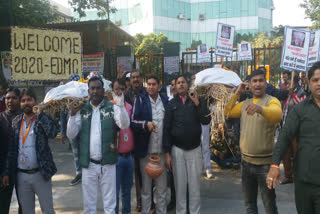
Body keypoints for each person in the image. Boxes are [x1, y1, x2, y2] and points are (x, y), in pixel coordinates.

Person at [67, 76, 130, 214]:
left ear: (103, 91)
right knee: (89, 206)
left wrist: (120, 105)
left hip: (108, 164)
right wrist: (72, 115)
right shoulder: (82, 109)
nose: (95, 91)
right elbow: (71, 135)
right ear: (88, 91)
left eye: (98, 88)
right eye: (92, 88)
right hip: (88, 166)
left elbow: (124, 124)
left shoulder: (111, 107)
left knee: (110, 204)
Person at [224, 69, 282, 214]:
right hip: (246, 164)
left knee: (270, 206)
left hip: (265, 166)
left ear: (265, 83)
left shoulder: (271, 101)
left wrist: (260, 109)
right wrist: (237, 93)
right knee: (249, 206)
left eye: (261, 80)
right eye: (254, 81)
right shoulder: (245, 104)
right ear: (249, 84)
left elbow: (278, 115)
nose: (257, 84)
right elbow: (228, 111)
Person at [267, 62, 320, 214]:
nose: (319, 83)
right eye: (315, 80)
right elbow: (285, 136)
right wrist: (275, 164)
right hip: (304, 181)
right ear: (308, 82)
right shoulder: (300, 109)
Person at [2, 88, 58, 214]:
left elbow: (53, 133)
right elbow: (11, 149)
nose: (26, 103)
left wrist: (41, 115)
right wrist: (6, 171)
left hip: (41, 174)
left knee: (48, 210)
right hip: (22, 176)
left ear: (35, 102)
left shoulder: (41, 119)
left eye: (29, 100)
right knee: (27, 211)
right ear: (20, 103)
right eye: (23, 100)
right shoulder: (16, 121)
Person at [164, 75, 211, 214]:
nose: (180, 85)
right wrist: (167, 153)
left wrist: (197, 103)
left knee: (195, 186)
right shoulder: (171, 104)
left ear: (187, 84)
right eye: (178, 83)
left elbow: (205, 120)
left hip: (195, 149)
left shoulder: (197, 100)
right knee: (180, 187)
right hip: (177, 150)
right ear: (175, 86)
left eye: (183, 82)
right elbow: (166, 129)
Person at [131, 74, 169, 214]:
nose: (151, 87)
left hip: (161, 152)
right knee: (146, 189)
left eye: (154, 84)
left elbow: (169, 125)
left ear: (159, 86)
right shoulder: (140, 99)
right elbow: (133, 121)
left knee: (162, 189)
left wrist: (168, 151)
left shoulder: (165, 100)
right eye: (149, 84)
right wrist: (145, 124)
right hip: (146, 152)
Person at [112, 79, 135, 214]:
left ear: (125, 90)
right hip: (116, 157)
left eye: (122, 88)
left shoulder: (130, 107)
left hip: (129, 156)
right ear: (113, 90)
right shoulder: (109, 107)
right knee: (114, 191)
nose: (119, 91)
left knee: (127, 191)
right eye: (116, 89)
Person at [124, 70, 145, 212]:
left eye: (138, 77)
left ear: (141, 79)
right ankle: (140, 202)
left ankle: (149, 201)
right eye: (133, 78)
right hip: (131, 137)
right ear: (130, 80)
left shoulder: (147, 92)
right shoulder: (126, 95)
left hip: (146, 135)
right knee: (137, 172)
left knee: (148, 172)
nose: (135, 79)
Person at [280, 75, 306, 184]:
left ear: (295, 83)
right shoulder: (286, 93)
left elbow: (302, 105)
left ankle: (300, 176)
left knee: (297, 154)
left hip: (297, 130)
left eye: (289, 82)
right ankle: (288, 176)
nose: (286, 85)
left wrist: (293, 95)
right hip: (286, 128)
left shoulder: (301, 92)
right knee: (285, 153)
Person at [0, 88, 20, 214]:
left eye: (13, 98)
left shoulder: (25, 118)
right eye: (8, 98)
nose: (10, 101)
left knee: (24, 204)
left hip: (22, 170)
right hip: (4, 172)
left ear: (19, 99)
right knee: (3, 205)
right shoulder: (1, 118)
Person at [60, 74, 82, 186]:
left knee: (85, 150)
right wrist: (63, 133)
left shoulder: (85, 98)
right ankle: (79, 173)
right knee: (76, 152)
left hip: (83, 129)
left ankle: (87, 172)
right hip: (71, 129)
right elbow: (63, 117)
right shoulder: (66, 100)